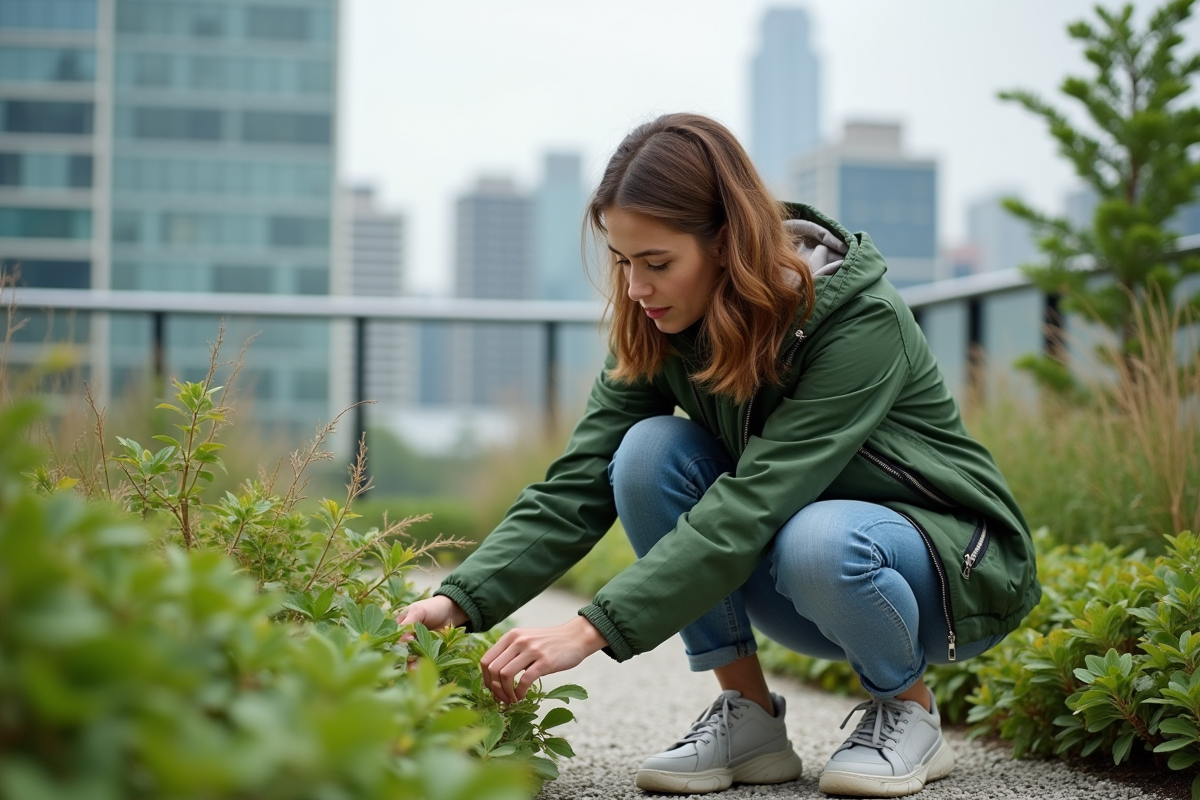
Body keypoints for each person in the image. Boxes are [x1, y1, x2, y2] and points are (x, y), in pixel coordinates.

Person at [396, 113, 1039, 798]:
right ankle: (750, 717)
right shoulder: (661, 321)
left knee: (818, 536)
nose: (637, 288)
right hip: (802, 573)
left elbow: (756, 499)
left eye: (658, 263)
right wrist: (461, 599)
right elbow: (579, 481)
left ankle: (908, 711)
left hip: (942, 577)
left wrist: (590, 630)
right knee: (644, 454)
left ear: (727, 242)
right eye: (623, 262)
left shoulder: (858, 318)